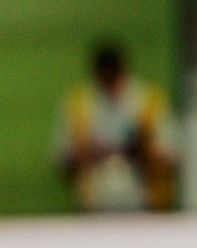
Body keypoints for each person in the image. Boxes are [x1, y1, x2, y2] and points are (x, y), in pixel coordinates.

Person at [54, 43, 175, 213]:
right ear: (96, 74)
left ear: (122, 70)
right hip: (95, 203)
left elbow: (172, 159)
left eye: (114, 76)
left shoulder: (150, 101)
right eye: (104, 77)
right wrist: (86, 152)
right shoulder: (78, 105)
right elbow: (63, 162)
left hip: (146, 203)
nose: (109, 84)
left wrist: (143, 148)